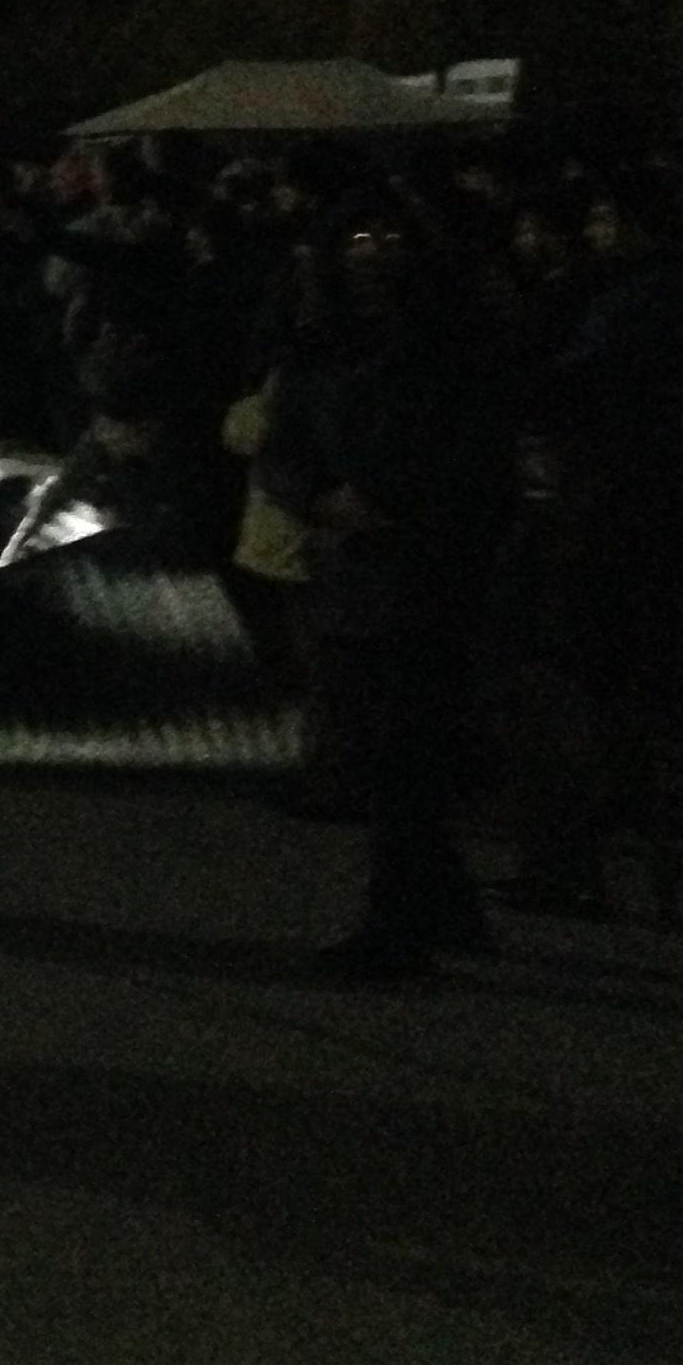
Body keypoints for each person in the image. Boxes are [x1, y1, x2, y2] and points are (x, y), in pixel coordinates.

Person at [259, 200, 514, 980]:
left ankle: (396, 925)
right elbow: (283, 445)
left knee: (409, 750)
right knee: (373, 746)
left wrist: (402, 503)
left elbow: (478, 451)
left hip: (429, 566)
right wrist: (318, 498)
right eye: (359, 238)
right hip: (347, 567)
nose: (372, 254)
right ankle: (444, 900)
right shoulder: (320, 347)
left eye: (389, 238)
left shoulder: (455, 347)